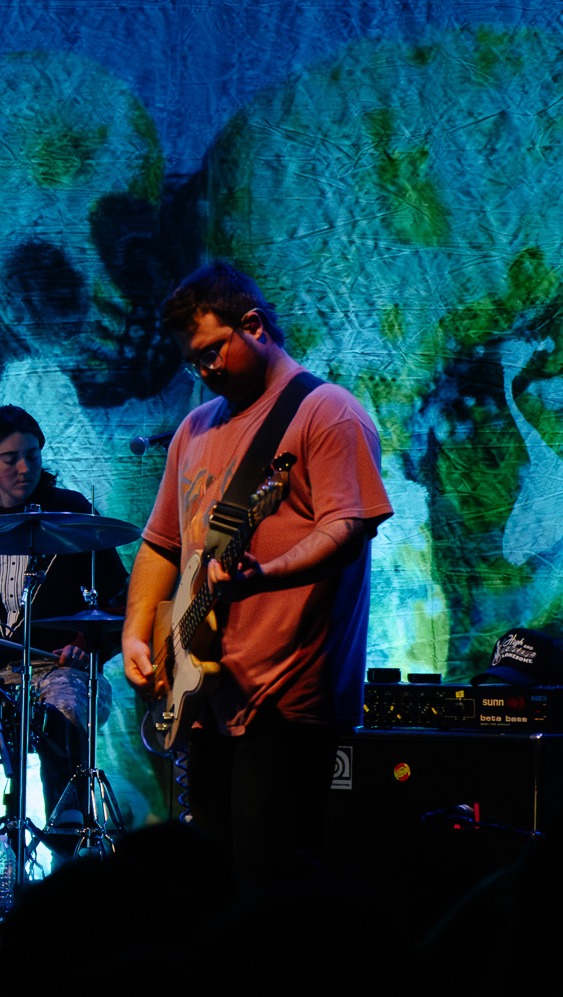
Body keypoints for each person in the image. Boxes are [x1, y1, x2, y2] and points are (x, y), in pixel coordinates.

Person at [121, 261, 391, 890]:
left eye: (212, 351)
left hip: (287, 701)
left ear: (255, 325)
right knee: (214, 888)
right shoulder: (194, 428)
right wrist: (135, 634)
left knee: (272, 889)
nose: (204, 370)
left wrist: (262, 574)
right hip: (205, 698)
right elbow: (161, 544)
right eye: (192, 361)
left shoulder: (327, 413)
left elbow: (345, 530)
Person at [0, 405, 128, 828]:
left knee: (65, 710)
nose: (25, 468)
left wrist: (85, 644)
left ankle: (66, 832)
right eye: (10, 458)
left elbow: (119, 599)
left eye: (33, 456)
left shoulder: (70, 511)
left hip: (55, 666)